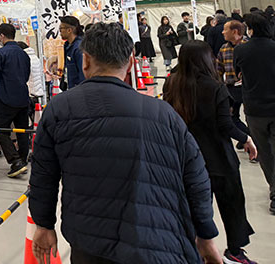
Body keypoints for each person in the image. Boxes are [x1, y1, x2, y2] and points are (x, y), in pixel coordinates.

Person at [30, 23, 222, 264]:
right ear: (131, 62)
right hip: (160, 240)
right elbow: (196, 178)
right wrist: (205, 235)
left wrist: (44, 225)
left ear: (85, 60)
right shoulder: (164, 113)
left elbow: (43, 175)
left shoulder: (59, 109)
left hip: (90, 243)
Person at [164, 41, 258, 264]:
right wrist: (246, 138)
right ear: (206, 59)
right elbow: (225, 125)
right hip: (219, 157)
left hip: (185, 157)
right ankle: (234, 251)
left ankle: (194, 252)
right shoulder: (215, 87)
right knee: (232, 204)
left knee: (192, 208)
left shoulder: (171, 84)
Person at [233, 12, 275, 215]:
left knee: (264, 153)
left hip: (255, 109)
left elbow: (237, 74)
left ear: (250, 29)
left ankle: (274, 192)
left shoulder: (241, 50)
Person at [0, 23, 31, 177]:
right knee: (22, 130)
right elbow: (26, 75)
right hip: (23, 96)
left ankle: (15, 161)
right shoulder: (24, 54)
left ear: (1, 36)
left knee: (0, 129)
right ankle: (23, 159)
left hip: (6, 97)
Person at [218, 19, 250, 141]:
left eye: (225, 30)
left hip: (248, 88)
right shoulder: (224, 48)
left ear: (235, 31)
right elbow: (218, 69)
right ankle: (248, 137)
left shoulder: (248, 46)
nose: (222, 32)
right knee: (231, 117)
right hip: (231, 88)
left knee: (251, 117)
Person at [59, 16, 85, 88]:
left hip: (78, 90)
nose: (60, 32)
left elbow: (83, 73)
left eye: (61, 29)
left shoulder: (79, 48)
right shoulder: (67, 45)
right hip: (70, 88)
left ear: (69, 30)